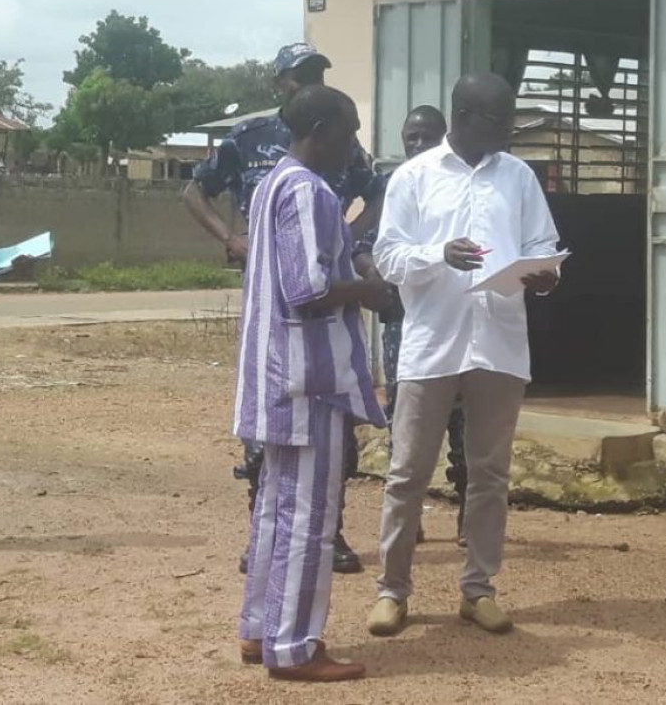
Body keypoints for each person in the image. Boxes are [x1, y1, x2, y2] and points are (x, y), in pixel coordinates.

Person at [367, 73, 560, 638]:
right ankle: (392, 591)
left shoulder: (518, 177)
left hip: (499, 343)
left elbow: (542, 244)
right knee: (407, 473)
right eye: (500, 122)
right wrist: (438, 254)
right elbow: (389, 258)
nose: (508, 132)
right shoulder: (414, 177)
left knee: (489, 474)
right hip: (433, 344)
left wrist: (544, 272)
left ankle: (478, 590)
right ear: (466, 117)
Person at [184, 42, 385, 575]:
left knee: (330, 425)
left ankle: (326, 531)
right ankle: (267, 534)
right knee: (275, 421)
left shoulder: (336, 149)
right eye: (300, 75)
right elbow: (193, 191)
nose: (308, 80)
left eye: (317, 71)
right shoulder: (258, 145)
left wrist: (347, 237)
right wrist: (232, 238)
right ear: (281, 84)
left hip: (324, 282)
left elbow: (375, 191)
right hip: (278, 290)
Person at [235, 84, 389, 682]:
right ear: (319, 129)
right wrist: (370, 291)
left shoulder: (270, 182)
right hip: (307, 380)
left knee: (274, 512)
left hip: (272, 374)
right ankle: (295, 646)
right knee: (310, 518)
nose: (354, 147)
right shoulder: (310, 191)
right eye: (349, 132)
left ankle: (259, 630)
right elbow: (308, 289)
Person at [352, 106, 467, 546]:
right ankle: (409, 517)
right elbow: (361, 245)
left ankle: (467, 516)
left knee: (464, 423)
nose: (417, 145)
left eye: (426, 137)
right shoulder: (393, 186)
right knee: (408, 424)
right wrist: (373, 272)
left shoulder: (457, 186)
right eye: (410, 138)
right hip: (404, 324)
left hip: (454, 320)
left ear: (446, 138)